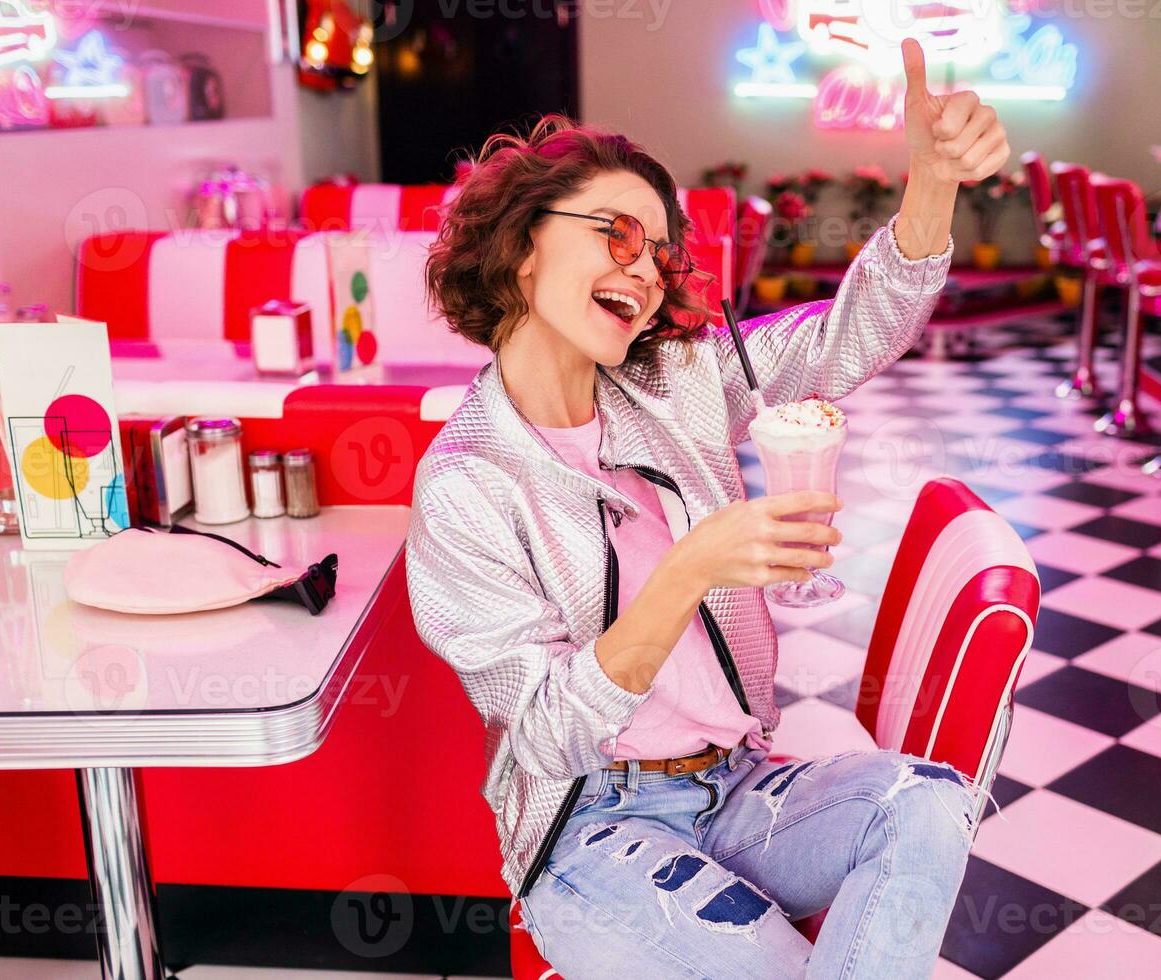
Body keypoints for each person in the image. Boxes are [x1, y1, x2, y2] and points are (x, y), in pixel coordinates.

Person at [406, 37, 1009, 978]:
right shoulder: (467, 483)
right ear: (522, 248)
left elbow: (845, 339)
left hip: (739, 787)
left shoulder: (676, 383)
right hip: (591, 829)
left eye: (658, 251)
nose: (644, 270)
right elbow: (546, 735)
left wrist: (929, 186)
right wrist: (691, 567)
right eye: (616, 234)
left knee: (927, 800)